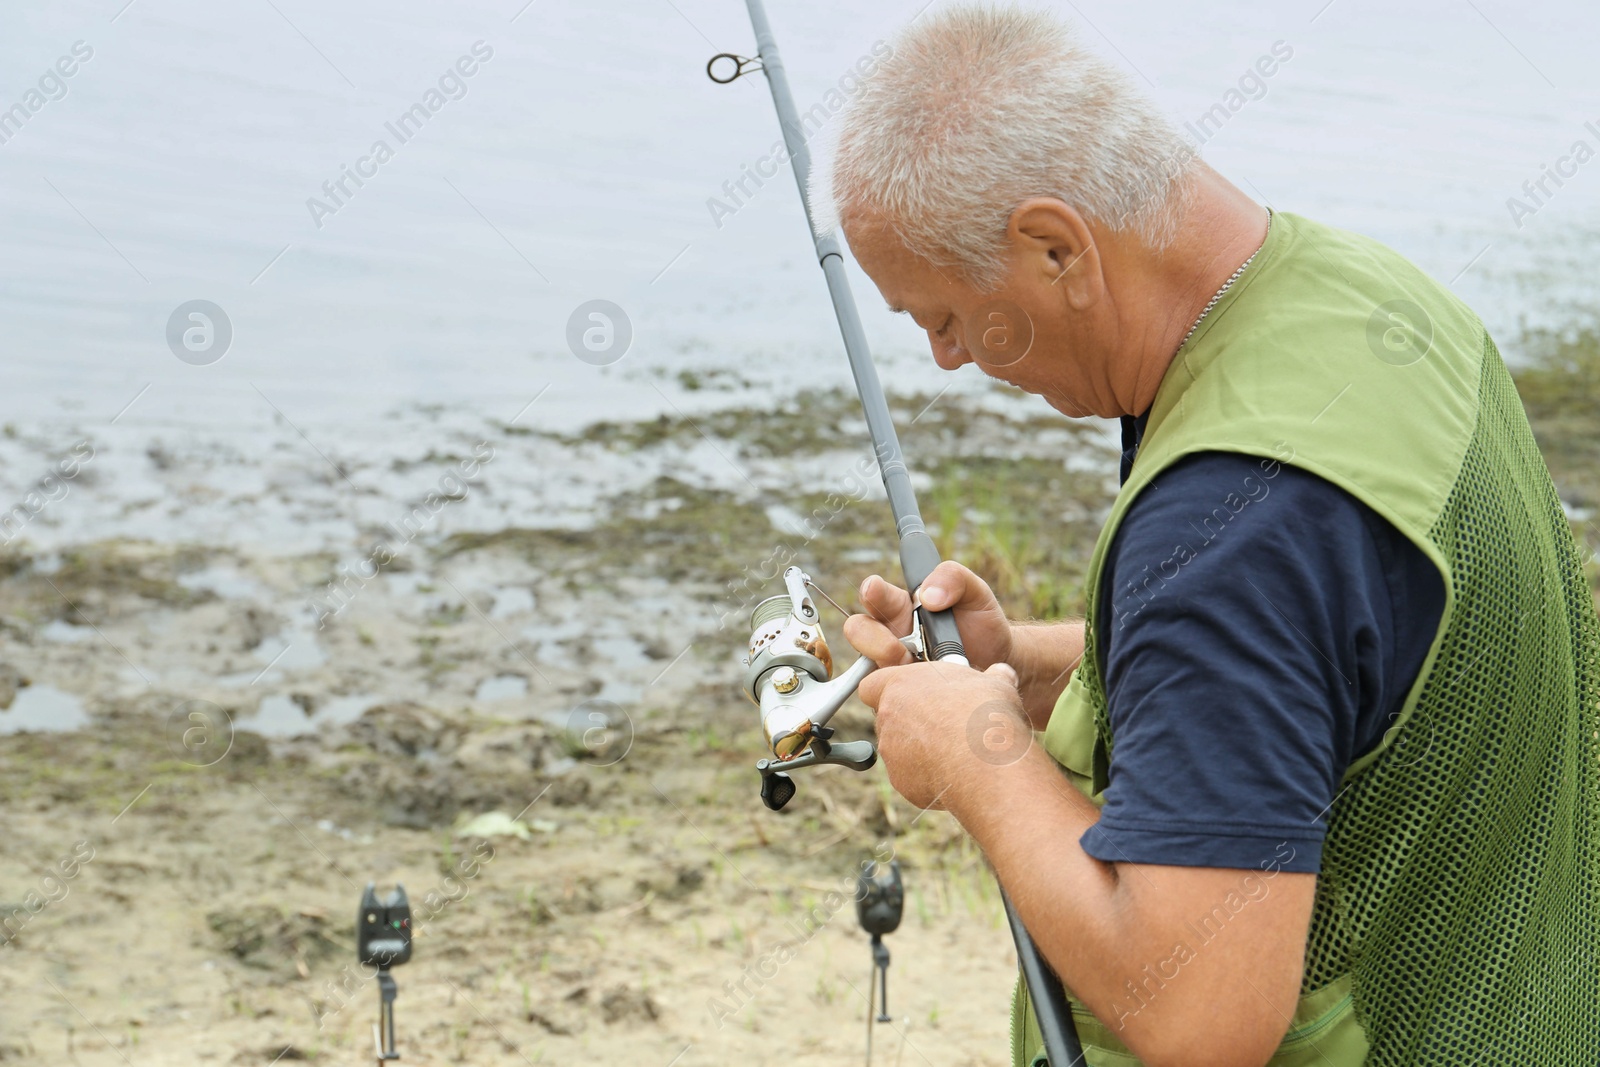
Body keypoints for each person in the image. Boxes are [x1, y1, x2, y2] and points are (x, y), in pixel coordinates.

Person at [821, 6, 1600, 1066]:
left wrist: (978, 755)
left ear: (1055, 247)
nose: (947, 357)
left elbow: (1202, 1011)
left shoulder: (1229, 528)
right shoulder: (1377, 300)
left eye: (939, 315)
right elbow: (1328, 677)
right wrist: (1024, 668)